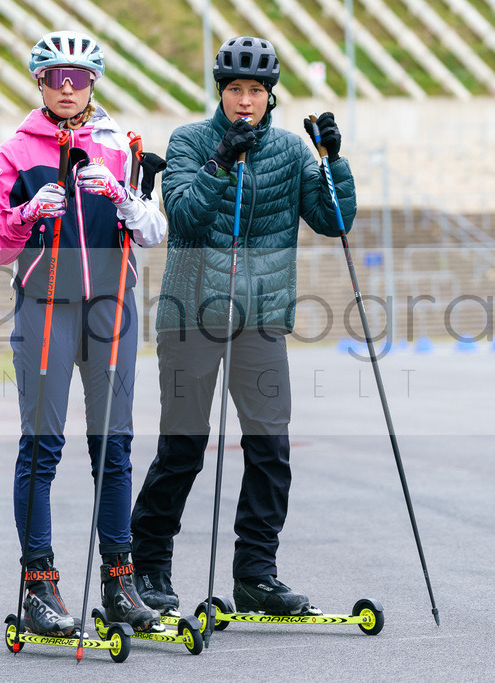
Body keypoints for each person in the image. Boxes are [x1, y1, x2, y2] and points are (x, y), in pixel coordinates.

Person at [129, 36, 357, 617]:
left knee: (270, 448)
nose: (245, 100)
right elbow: (184, 216)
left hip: (260, 318)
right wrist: (222, 160)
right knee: (183, 447)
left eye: (256, 90)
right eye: (235, 89)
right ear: (221, 92)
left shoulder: (290, 151)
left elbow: (333, 220)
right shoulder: (189, 141)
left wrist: (333, 161)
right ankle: (147, 566)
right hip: (191, 316)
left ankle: (256, 574)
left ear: (270, 96)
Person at [0, 30, 166, 635]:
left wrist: (124, 197)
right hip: (45, 306)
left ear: (92, 83)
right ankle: (39, 584)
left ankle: (120, 581)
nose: (67, 87)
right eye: (56, 77)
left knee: (114, 447)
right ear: (40, 81)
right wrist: (28, 213)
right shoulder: (15, 151)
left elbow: (154, 231)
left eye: (78, 78)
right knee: (42, 446)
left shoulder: (118, 146)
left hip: (112, 305)